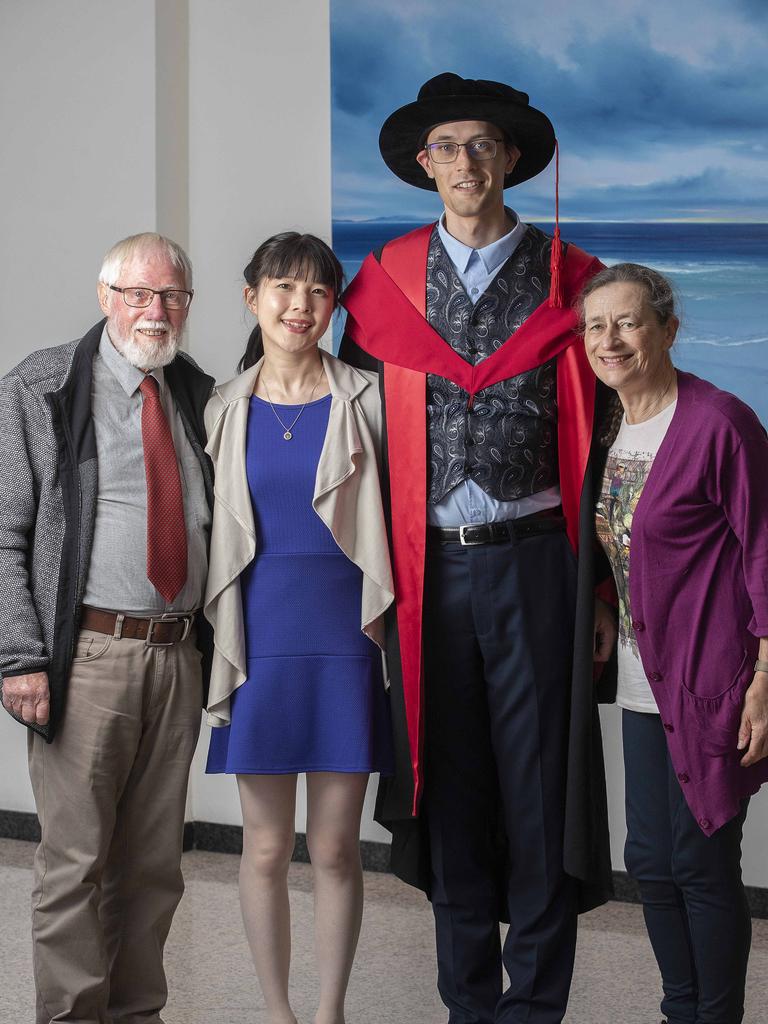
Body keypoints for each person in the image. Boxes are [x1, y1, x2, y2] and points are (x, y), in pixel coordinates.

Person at [340, 73, 616, 1023]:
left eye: (483, 145)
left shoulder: (574, 284)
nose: (466, 161)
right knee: (446, 778)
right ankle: (467, 1002)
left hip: (539, 559)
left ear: (511, 159)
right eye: (448, 147)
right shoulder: (380, 286)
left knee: (540, 786)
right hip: (428, 569)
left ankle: (534, 1004)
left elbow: (617, 445)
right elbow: (342, 426)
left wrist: (606, 594)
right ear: (426, 166)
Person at [0, 232, 214, 1023]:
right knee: (75, 866)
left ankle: (136, 1016)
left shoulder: (195, 391)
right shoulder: (42, 386)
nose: (155, 312)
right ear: (105, 296)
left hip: (177, 656)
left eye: (172, 298)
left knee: (154, 868)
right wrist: (19, 656)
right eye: (139, 294)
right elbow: (3, 530)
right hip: (85, 658)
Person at [203, 232, 394, 1024]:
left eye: (318, 292)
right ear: (252, 298)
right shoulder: (222, 405)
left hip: (345, 638)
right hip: (260, 640)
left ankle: (329, 1013)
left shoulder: (367, 398)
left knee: (337, 847)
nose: (300, 306)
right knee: (267, 847)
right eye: (284, 288)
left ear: (334, 305)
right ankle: (277, 1011)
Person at [580, 262, 768, 1024]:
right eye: (596, 325)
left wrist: (766, 674)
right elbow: (612, 543)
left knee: (700, 861)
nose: (610, 339)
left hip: (711, 677)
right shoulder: (602, 425)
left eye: (627, 322)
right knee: (652, 865)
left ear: (668, 329)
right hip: (635, 673)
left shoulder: (720, 422)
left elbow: (765, 550)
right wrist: (599, 599)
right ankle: (678, 1010)